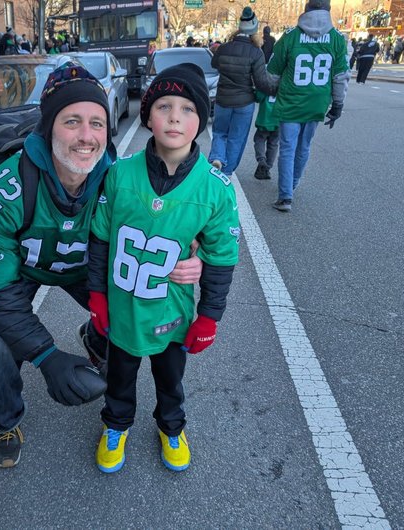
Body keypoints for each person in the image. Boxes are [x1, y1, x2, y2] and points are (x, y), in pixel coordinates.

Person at [0, 63, 202, 469]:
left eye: (96, 123)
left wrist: (192, 252)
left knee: (124, 321)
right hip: (24, 271)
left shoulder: (119, 178)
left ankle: (94, 338)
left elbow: (167, 221)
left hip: (84, 270)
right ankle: (5, 421)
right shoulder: (6, 189)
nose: (87, 136)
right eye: (72, 121)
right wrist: (45, 356)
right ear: (48, 128)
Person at [87, 64, 239, 473]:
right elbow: (101, 237)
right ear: (147, 114)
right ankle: (116, 424)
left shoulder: (213, 188)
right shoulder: (119, 174)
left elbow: (222, 255)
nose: (175, 116)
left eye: (188, 109)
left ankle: (171, 427)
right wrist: (96, 295)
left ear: (201, 121)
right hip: (122, 308)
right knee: (120, 376)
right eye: (164, 106)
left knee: (170, 379)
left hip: (171, 310)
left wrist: (209, 316)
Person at [267, 0, 349, 212]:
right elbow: (341, 76)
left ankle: (285, 196)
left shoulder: (291, 35)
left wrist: (272, 91)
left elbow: (273, 71)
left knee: (287, 147)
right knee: (304, 146)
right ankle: (292, 186)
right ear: (328, 11)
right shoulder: (337, 39)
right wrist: (338, 104)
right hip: (317, 102)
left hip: (291, 100)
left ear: (306, 10)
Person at [207, 7, 278, 176]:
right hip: (244, 103)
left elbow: (214, 64)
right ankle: (227, 172)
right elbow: (262, 82)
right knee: (236, 139)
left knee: (219, 132)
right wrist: (277, 85)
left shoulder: (224, 48)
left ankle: (217, 157)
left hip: (223, 100)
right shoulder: (256, 52)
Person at [252, 90, 278, 180]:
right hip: (279, 119)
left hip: (265, 118)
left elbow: (258, 97)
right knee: (273, 144)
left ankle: (261, 159)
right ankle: (268, 167)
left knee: (259, 139)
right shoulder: (286, 82)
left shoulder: (266, 84)